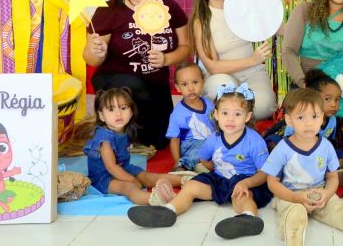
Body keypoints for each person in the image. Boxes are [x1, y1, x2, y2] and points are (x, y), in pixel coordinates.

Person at [127, 83, 272, 236]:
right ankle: (168, 211)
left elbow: (264, 173)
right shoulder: (213, 138)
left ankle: (249, 218)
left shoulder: (254, 141)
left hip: (245, 181)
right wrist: (213, 170)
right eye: (225, 113)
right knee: (191, 186)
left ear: (247, 116)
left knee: (242, 197)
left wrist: (246, 183)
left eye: (237, 114)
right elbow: (204, 160)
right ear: (216, 115)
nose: (230, 119)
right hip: (220, 180)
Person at [83, 0, 190, 149]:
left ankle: (132, 134)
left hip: (155, 85)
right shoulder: (108, 10)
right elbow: (90, 58)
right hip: (116, 84)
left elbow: (185, 48)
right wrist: (96, 52)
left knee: (159, 141)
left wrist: (166, 59)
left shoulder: (169, 8)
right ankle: (114, 131)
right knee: (132, 84)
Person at [262, 88, 343, 246]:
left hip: (319, 191)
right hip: (290, 193)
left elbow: (332, 177)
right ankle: (293, 233)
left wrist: (327, 194)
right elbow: (272, 182)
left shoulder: (326, 146)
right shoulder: (282, 148)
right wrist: (296, 198)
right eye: (301, 118)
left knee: (338, 209)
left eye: (314, 117)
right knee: (289, 210)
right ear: (289, 120)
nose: (309, 123)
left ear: (322, 118)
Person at [189, 0, 276, 120]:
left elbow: (274, 25)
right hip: (221, 76)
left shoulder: (245, 6)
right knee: (221, 92)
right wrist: (253, 59)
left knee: (262, 105)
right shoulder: (202, 20)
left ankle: (242, 122)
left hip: (253, 74)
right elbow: (213, 67)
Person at [82, 88, 183, 205]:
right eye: (111, 109)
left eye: (123, 108)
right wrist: (132, 179)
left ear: (131, 112)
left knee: (147, 177)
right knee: (129, 187)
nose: (118, 113)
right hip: (104, 177)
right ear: (102, 116)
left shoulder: (125, 129)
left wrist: (133, 176)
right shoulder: (104, 139)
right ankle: (155, 198)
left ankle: (184, 180)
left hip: (123, 168)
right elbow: (111, 167)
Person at [264, 69, 343, 164]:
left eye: (337, 100)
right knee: (274, 143)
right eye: (327, 99)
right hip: (291, 147)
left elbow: (329, 141)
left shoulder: (333, 121)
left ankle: (330, 171)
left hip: (314, 151)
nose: (334, 104)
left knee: (340, 154)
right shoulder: (302, 117)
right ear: (312, 97)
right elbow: (288, 141)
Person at [165, 62, 216, 172]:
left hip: (211, 141)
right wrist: (177, 162)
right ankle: (184, 164)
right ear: (178, 87)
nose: (191, 88)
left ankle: (204, 166)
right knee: (201, 147)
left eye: (195, 82)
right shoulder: (177, 114)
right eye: (184, 84)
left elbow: (216, 124)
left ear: (203, 81)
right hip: (192, 146)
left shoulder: (209, 104)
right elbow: (175, 140)